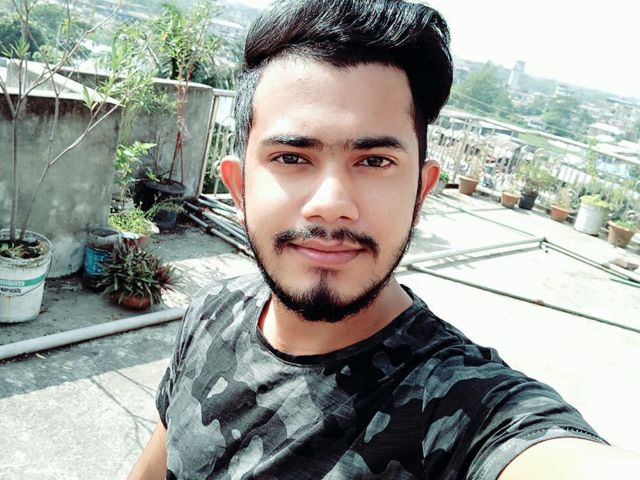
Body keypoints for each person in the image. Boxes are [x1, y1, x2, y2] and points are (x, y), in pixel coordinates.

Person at [129, 1, 640, 478]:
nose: (331, 202)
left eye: (374, 161)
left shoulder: (465, 408)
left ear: (421, 192)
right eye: (291, 157)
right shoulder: (212, 311)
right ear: (239, 188)